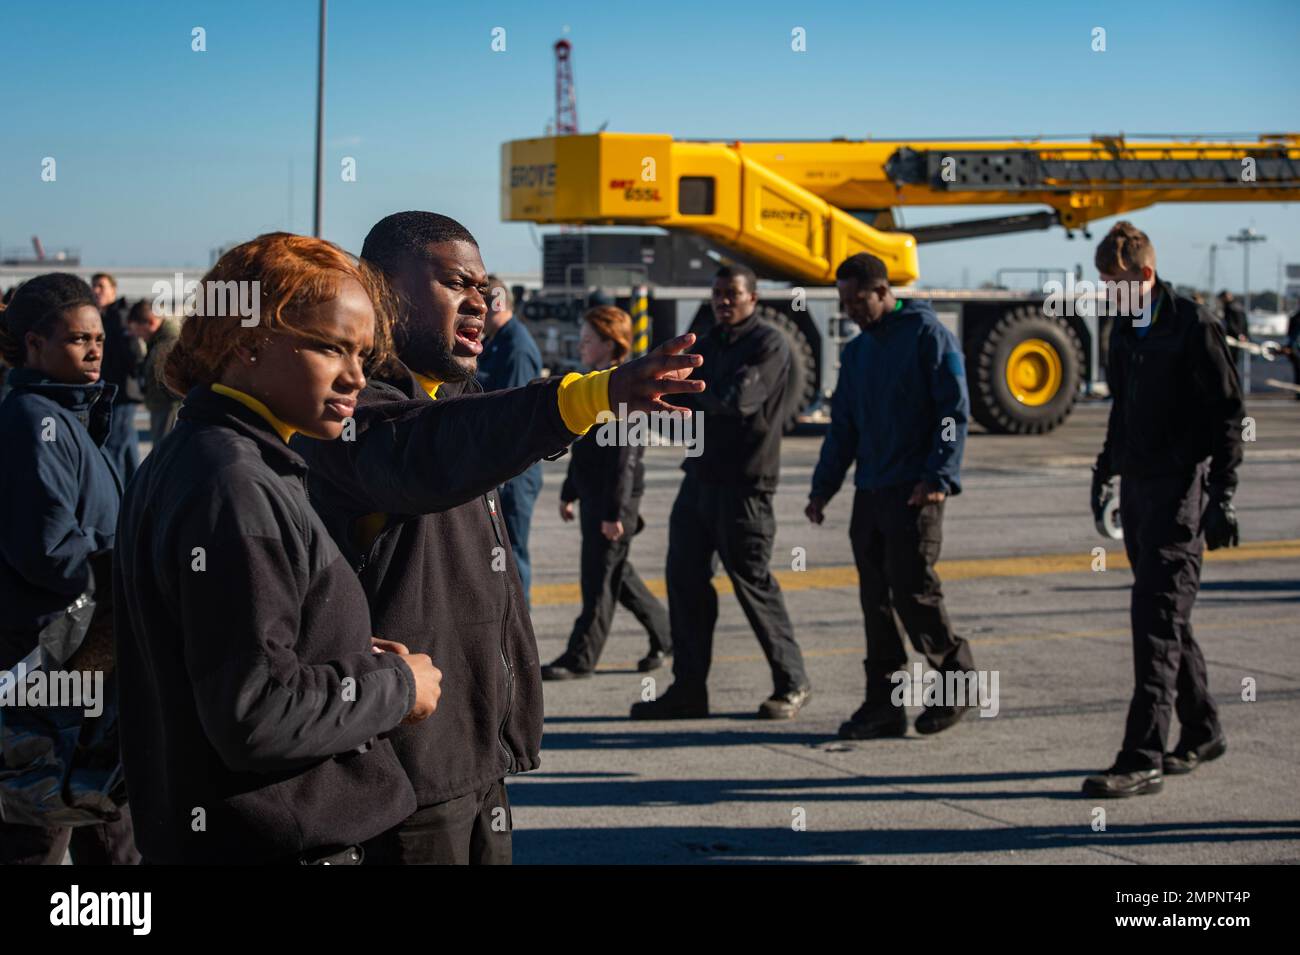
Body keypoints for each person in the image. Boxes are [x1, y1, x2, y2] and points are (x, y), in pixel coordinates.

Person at [292, 211, 703, 864]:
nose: (479, 300)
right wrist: (585, 396)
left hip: (476, 758)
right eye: (457, 281)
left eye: (485, 286)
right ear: (381, 289)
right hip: (399, 774)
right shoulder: (347, 410)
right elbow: (422, 454)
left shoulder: (458, 396)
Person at [113, 234, 443, 864]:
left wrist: (339, 647)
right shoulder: (235, 485)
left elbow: (213, 650)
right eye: (329, 347)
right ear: (245, 342)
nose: (355, 377)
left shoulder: (204, 457)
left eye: (363, 354)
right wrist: (398, 687)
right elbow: (255, 714)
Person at [1084, 221, 1243, 799]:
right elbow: (1121, 408)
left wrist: (1222, 492)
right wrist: (1105, 470)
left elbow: (1228, 414)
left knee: (1153, 618)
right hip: (1139, 489)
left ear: (1145, 274)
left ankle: (1141, 754)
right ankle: (1202, 731)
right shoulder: (1125, 330)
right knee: (1166, 615)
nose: (1108, 294)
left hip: (1181, 490)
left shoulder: (1193, 325)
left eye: (1115, 283)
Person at [807, 252, 977, 739]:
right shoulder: (858, 354)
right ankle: (883, 706)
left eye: (857, 300)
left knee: (914, 593)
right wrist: (823, 490)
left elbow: (953, 411)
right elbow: (843, 430)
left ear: (883, 291)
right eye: (843, 302)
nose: (851, 311)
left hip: (915, 492)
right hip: (871, 492)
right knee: (875, 602)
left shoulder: (929, 337)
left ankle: (957, 684)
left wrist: (939, 476)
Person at [630, 264, 811, 721]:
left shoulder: (768, 343)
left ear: (753, 298)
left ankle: (792, 683)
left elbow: (738, 400)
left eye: (732, 294)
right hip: (700, 480)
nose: (723, 301)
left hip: (746, 486)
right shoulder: (708, 342)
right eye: (717, 294)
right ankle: (689, 690)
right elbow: (674, 391)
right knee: (685, 581)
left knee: (752, 583)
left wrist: (686, 395)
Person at [0, 273, 137, 865]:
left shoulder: (70, 417)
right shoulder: (35, 420)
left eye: (99, 339)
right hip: (53, 657)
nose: (94, 351)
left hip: (84, 653)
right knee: (45, 822)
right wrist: (127, 575)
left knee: (101, 817)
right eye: (78, 339)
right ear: (34, 344)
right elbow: (48, 547)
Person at [543, 306, 672, 679]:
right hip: (594, 495)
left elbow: (626, 458)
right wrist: (569, 491)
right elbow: (581, 444)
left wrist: (614, 513)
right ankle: (667, 637)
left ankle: (579, 660)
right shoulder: (592, 380)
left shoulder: (627, 383)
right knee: (618, 576)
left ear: (609, 343)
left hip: (614, 500)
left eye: (587, 340)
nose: (580, 346)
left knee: (598, 581)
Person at [476, 275, 544, 603]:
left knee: (512, 554)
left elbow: (517, 417)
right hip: (499, 468)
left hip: (514, 473)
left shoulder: (515, 348)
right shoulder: (496, 342)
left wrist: (503, 474)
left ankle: (520, 631)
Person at [90, 273, 144, 483]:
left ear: (113, 290)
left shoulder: (119, 317)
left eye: (101, 286)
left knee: (114, 450)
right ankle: (135, 496)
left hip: (120, 393)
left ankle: (118, 501)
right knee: (128, 449)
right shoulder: (105, 317)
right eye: (94, 286)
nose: (96, 291)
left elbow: (134, 354)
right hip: (114, 392)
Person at [125, 298, 182, 445]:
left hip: (168, 409)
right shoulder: (158, 342)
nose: (138, 336)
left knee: (165, 455)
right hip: (162, 406)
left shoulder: (168, 345)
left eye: (138, 331)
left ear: (150, 323)